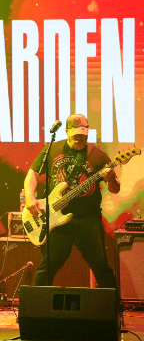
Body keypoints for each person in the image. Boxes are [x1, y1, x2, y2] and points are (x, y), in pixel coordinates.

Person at [24, 114, 119, 289]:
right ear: (67, 132)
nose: (79, 139)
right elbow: (33, 174)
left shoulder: (98, 156)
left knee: (101, 268)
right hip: (55, 219)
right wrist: (30, 198)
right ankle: (36, 305)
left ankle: (113, 305)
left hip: (88, 220)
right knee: (47, 267)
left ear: (87, 132)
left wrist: (111, 179)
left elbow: (115, 189)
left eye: (82, 135)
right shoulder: (52, 149)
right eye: (75, 135)